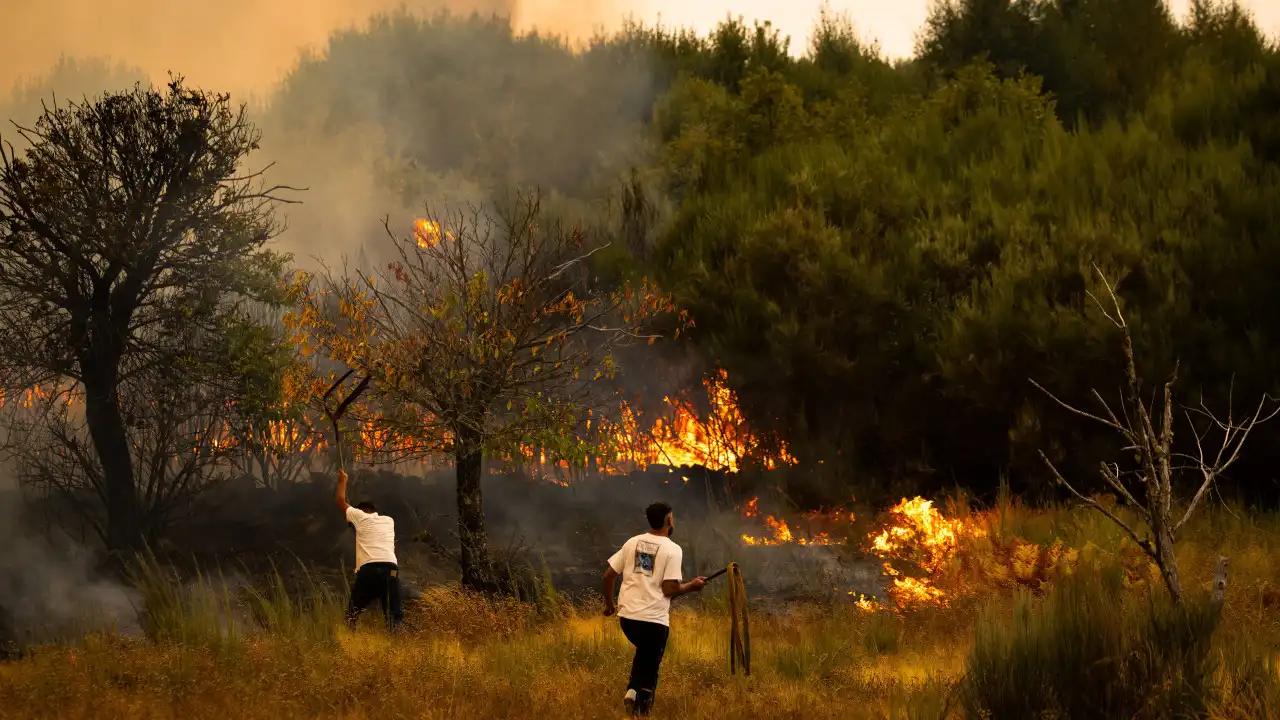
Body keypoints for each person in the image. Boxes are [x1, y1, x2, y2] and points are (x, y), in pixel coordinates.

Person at [603, 501, 707, 716]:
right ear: (669, 519)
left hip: (628, 619)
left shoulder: (632, 542)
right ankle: (640, 709)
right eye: (673, 516)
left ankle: (631, 691)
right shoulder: (672, 549)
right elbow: (670, 589)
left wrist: (610, 605)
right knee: (650, 670)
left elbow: (608, 576)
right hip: (653, 621)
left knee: (644, 655)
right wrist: (692, 586)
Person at [334, 468, 403, 632]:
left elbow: (340, 500)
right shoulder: (388, 520)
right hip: (392, 571)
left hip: (370, 570)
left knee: (352, 613)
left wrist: (342, 481)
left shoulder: (360, 516)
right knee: (394, 616)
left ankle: (349, 642)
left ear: (362, 511)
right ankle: (399, 645)